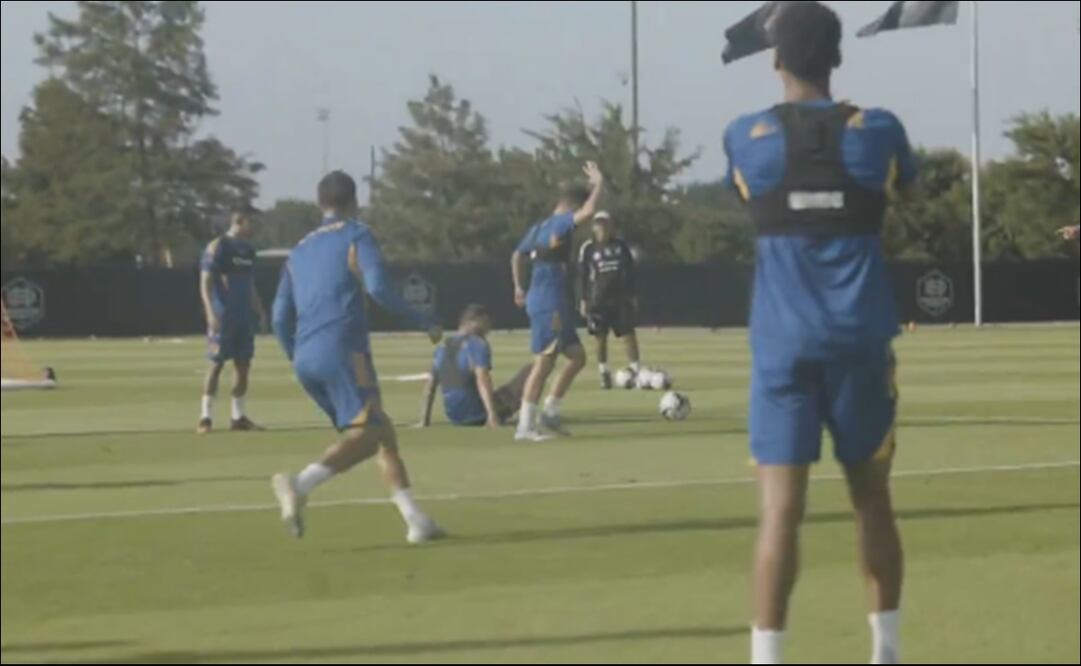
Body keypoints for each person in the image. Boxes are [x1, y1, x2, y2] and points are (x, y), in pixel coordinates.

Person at [723, 3, 917, 663]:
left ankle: (767, 659)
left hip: (782, 348)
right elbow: (906, 187)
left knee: (779, 512)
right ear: (836, 57)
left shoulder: (745, 135)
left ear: (775, 58)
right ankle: (885, 653)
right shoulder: (879, 129)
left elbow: (746, 196)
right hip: (860, 342)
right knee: (872, 500)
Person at [270, 171, 444, 544]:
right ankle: (300, 485)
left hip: (305, 357)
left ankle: (415, 520)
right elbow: (378, 287)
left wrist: (295, 356)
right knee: (367, 435)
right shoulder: (357, 234)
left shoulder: (298, 251)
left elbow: (279, 316)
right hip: (343, 350)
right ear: (353, 201)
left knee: (382, 432)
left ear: (320, 204)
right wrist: (422, 320)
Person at [510, 162, 604, 441]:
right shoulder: (561, 223)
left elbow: (517, 255)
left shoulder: (539, 227)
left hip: (551, 302)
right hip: (549, 303)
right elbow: (589, 212)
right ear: (574, 206)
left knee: (577, 356)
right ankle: (525, 426)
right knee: (545, 362)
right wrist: (599, 183)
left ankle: (550, 412)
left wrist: (518, 286)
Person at [197, 205, 266, 434]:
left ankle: (238, 417)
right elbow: (205, 283)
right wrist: (210, 312)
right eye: (252, 221)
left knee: (243, 365)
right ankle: (205, 417)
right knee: (216, 364)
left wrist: (259, 309)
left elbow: (250, 283)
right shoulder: (218, 246)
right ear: (241, 220)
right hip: (223, 316)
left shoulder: (248, 250)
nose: (255, 226)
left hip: (243, 317)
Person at [419, 304, 532, 428]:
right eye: (486, 324)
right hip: (478, 414)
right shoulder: (477, 344)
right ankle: (527, 419)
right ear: (474, 321)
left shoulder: (442, 347)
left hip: (454, 416)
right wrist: (492, 415)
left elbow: (430, 386)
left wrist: (424, 420)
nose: (488, 329)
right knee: (532, 370)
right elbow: (483, 380)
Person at [577, 211, 641, 389]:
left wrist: (633, 295)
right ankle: (604, 372)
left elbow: (630, 272)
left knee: (628, 335)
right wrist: (583, 299)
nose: (603, 228)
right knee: (600, 338)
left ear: (611, 226)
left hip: (620, 299)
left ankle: (636, 371)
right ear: (594, 227)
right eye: (599, 225)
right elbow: (582, 275)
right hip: (598, 301)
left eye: (606, 224)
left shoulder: (621, 246)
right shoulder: (588, 248)